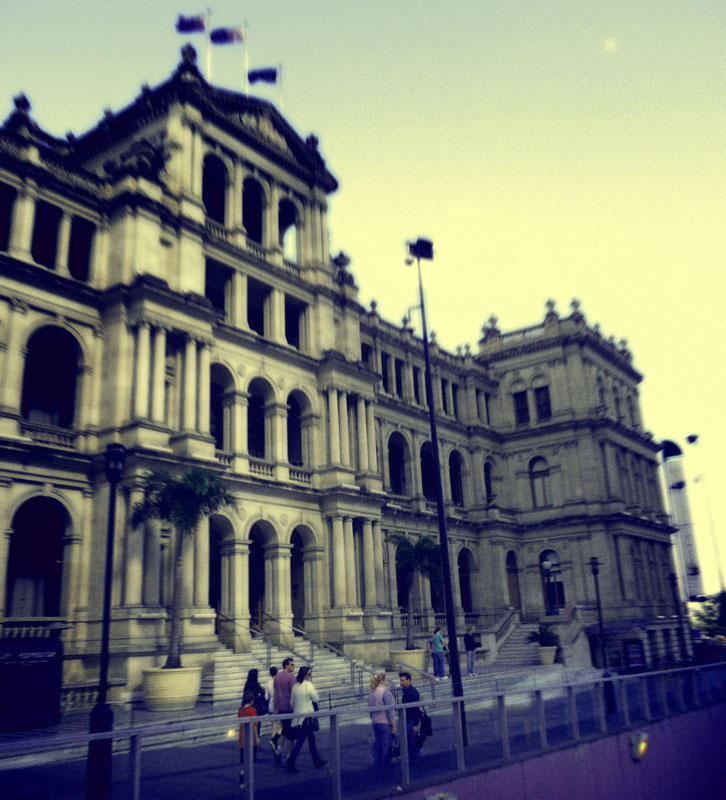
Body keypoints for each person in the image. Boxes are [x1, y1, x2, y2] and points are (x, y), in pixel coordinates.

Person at [286, 666, 327, 772]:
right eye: (309, 675)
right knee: (301, 740)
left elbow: (292, 703)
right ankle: (291, 762)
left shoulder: (295, 686)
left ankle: (316, 760)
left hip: (298, 717)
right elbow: (316, 698)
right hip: (307, 717)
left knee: (311, 739)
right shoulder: (308, 685)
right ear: (305, 675)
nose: (310, 677)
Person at [368, 673, 396, 766]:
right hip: (385, 722)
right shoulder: (385, 693)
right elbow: (390, 711)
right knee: (386, 745)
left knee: (378, 744)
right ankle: (385, 766)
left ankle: (377, 763)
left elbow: (370, 710)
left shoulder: (372, 693)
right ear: (383, 681)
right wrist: (393, 725)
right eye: (386, 680)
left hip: (375, 722)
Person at [273, 657, 297, 763]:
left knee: (285, 729)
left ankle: (278, 749)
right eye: (292, 664)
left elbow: (275, 694)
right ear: (286, 665)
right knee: (291, 733)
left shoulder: (277, 677)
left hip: (280, 707)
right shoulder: (291, 677)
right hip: (289, 707)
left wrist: (275, 707)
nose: (293, 666)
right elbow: (294, 693)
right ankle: (289, 755)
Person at [237, 690, 259, 788]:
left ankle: (245, 777)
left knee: (244, 758)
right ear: (251, 701)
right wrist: (257, 738)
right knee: (251, 759)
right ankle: (245, 776)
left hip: (242, 737)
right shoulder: (252, 710)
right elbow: (254, 726)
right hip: (251, 738)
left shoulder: (240, 710)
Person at [398, 672, 421, 762]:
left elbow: (415, 709)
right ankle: (412, 760)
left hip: (411, 721)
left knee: (412, 742)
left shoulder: (412, 692)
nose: (401, 682)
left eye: (403, 680)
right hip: (407, 720)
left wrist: (415, 724)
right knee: (409, 741)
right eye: (400, 680)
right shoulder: (407, 691)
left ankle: (415, 760)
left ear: (409, 680)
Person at [266, 666, 281, 756]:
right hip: (278, 705)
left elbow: (267, 696)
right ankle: (274, 740)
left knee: (274, 726)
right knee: (283, 725)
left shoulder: (268, 683)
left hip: (271, 705)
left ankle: (274, 743)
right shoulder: (278, 681)